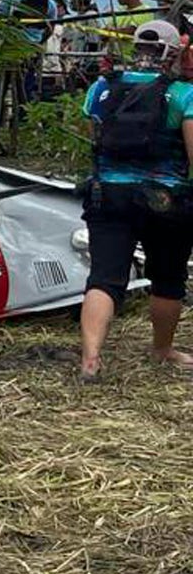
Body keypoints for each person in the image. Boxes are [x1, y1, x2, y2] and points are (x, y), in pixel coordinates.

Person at [76, 20, 193, 378]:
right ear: (174, 51)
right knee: (168, 279)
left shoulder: (101, 87)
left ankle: (91, 358)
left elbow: (94, 138)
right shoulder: (183, 94)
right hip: (166, 200)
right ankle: (162, 350)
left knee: (104, 278)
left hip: (107, 194)